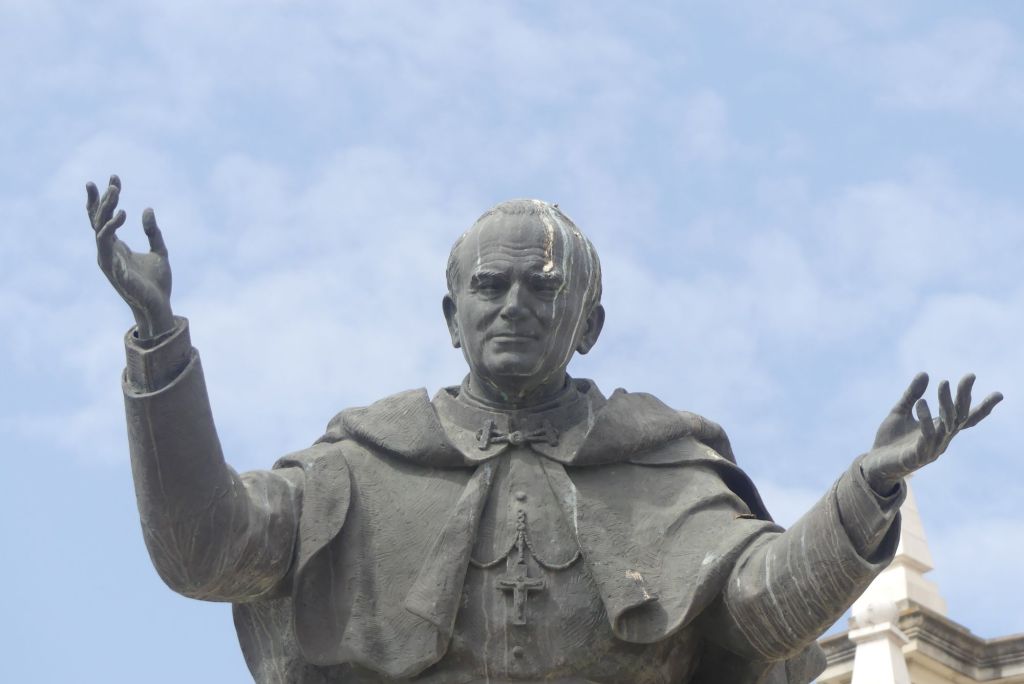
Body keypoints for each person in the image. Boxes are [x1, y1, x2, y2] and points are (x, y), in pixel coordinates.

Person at [86, 175, 1001, 684]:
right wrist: (160, 348)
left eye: (543, 287)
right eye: (490, 287)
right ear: (452, 318)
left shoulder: (666, 468)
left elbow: (764, 611)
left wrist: (866, 493)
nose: (515, 305)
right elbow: (205, 552)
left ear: (587, 324)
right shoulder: (357, 468)